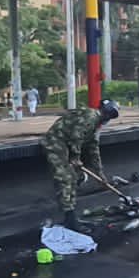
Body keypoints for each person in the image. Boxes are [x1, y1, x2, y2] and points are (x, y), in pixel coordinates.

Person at [41, 99, 119, 230]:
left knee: (74, 177)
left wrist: (100, 174)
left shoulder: (95, 125)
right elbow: (76, 136)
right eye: (110, 115)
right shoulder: (90, 116)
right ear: (106, 113)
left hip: (67, 145)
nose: (109, 119)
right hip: (56, 141)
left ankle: (70, 213)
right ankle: (69, 218)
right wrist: (76, 158)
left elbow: (94, 149)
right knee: (66, 178)